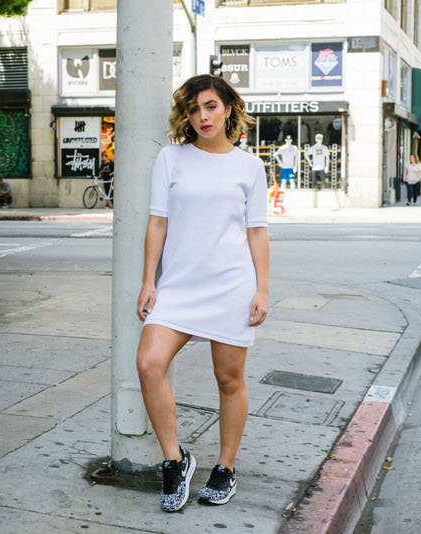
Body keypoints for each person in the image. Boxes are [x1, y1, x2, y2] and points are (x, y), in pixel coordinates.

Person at [135, 74, 270, 513]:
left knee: (228, 379)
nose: (202, 117)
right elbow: (158, 222)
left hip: (231, 285)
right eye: (194, 110)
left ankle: (226, 467)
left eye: (210, 106)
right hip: (179, 286)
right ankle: (175, 461)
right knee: (148, 363)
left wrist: (262, 290)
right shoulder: (171, 158)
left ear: (228, 109)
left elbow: (257, 233)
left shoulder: (249, 167)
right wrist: (148, 281)